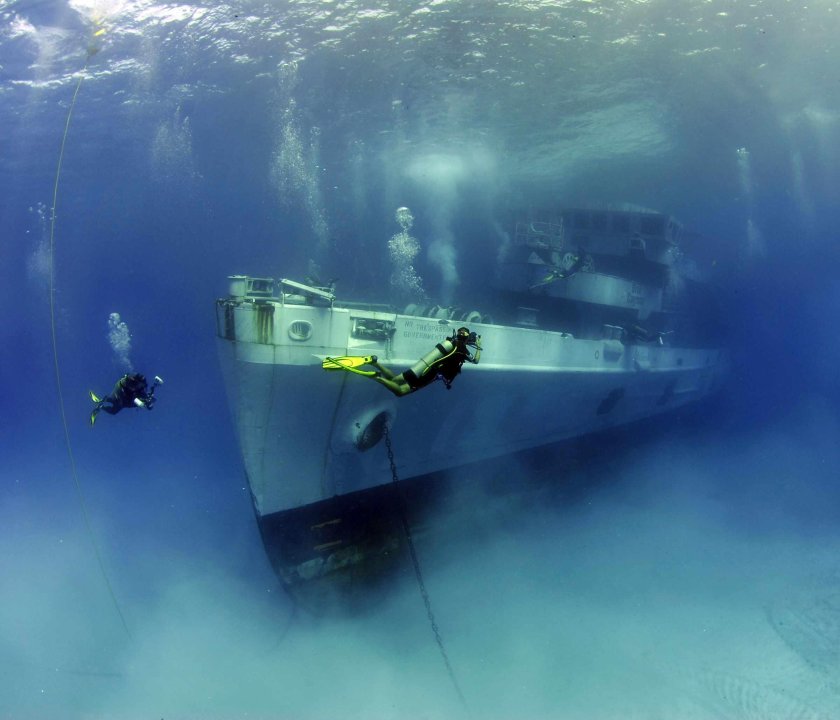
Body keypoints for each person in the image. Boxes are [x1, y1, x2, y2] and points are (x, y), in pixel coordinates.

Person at [323, 327, 481, 397]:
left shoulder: (451, 342)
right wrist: (479, 346)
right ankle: (376, 376)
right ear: (467, 338)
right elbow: (476, 360)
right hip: (428, 374)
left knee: (395, 379)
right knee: (400, 392)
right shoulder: (462, 349)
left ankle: (374, 362)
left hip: (421, 366)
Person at [89, 373, 163, 426]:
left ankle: (101, 406)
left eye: (140, 385)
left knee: (113, 411)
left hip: (126, 401)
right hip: (121, 394)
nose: (138, 386)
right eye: (138, 384)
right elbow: (122, 386)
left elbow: (144, 395)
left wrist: (148, 402)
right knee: (114, 400)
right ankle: (103, 400)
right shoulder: (129, 381)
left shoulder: (141, 387)